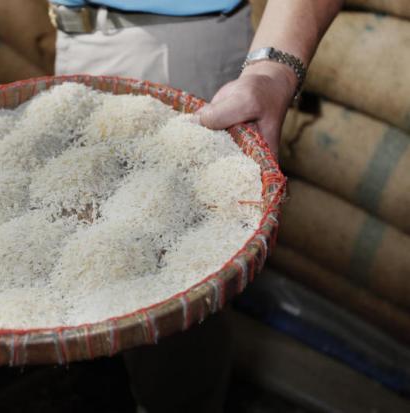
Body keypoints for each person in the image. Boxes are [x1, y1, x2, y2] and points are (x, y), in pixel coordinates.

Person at [48, 1, 342, 411]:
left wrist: (271, 69)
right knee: (95, 268)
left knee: (172, 310)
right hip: (80, 37)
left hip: (169, 49)